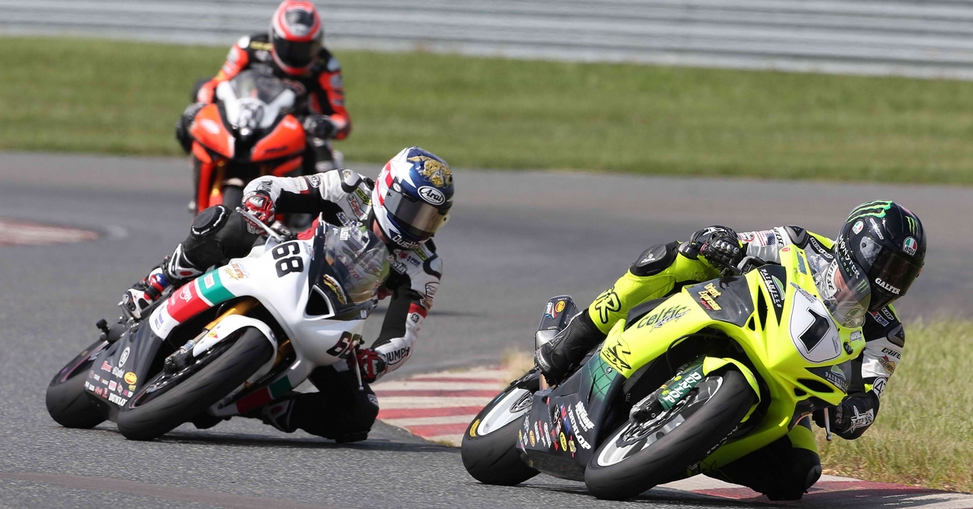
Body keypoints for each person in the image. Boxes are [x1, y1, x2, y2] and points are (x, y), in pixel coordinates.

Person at [534, 201, 925, 500]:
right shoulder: (802, 243)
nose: (892, 279)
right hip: (734, 318)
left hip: (788, 391)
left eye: (903, 273)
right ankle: (574, 335)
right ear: (860, 245)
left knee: (797, 474)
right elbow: (744, 241)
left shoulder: (886, 333)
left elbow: (870, 397)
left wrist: (850, 413)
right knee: (677, 256)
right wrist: (719, 239)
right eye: (888, 265)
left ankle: (692, 446)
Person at [121, 146, 454, 442]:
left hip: (332, 319)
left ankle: (261, 405)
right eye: (412, 211)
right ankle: (157, 282)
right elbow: (273, 186)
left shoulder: (424, 265)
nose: (418, 226)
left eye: (430, 218)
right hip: (284, 263)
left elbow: (403, 334)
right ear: (387, 190)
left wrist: (377, 360)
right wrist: (261, 201)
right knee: (230, 222)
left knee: (358, 414)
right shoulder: (350, 188)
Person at [176, 0, 351, 175]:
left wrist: (327, 125)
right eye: (289, 46)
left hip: (296, 125)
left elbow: (341, 119)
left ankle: (316, 200)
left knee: (325, 163)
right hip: (247, 114)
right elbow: (218, 82)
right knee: (192, 116)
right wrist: (203, 102)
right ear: (274, 36)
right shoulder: (249, 46)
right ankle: (198, 196)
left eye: (306, 48)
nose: (297, 55)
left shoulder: (326, 65)